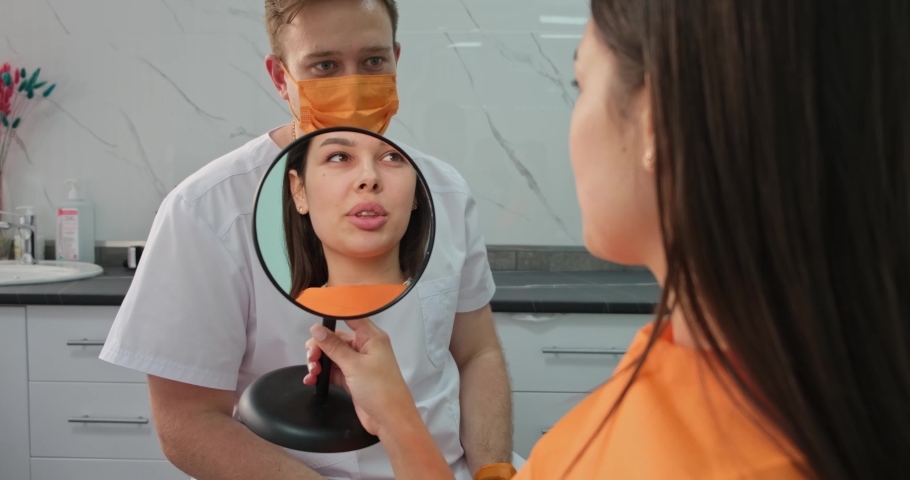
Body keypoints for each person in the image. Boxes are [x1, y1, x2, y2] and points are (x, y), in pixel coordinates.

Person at [303, 0, 910, 478]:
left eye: (579, 84)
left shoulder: (663, 451)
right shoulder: (762, 366)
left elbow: (479, 348)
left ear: (654, 121)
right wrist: (399, 416)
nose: (367, 179)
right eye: (324, 65)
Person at [99, 0, 515, 478]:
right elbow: (186, 421)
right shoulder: (206, 211)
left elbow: (476, 352)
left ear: (397, 60)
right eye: (325, 65)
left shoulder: (444, 191)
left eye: (373, 61)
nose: (354, 82)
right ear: (280, 78)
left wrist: (492, 471)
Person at [284, 131, 431, 315]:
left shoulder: (445, 304)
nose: (369, 178)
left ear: (415, 192)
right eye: (339, 157)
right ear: (299, 191)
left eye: (392, 157)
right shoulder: (277, 324)